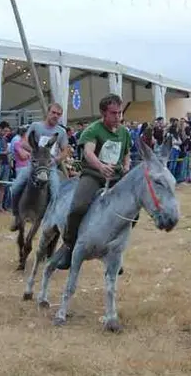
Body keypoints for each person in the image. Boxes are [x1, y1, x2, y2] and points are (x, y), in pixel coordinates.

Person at [53, 94, 131, 270]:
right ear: (103, 113)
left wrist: (126, 166)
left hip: (116, 177)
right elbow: (88, 152)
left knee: (132, 211)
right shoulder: (92, 130)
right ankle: (69, 247)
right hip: (93, 175)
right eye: (113, 113)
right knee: (78, 207)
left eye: (120, 113)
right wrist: (101, 166)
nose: (118, 117)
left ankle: (115, 250)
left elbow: (126, 153)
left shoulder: (124, 132)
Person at [9, 103, 70, 231]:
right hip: (33, 166)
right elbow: (24, 143)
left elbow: (65, 151)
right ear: (48, 112)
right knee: (15, 187)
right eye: (53, 113)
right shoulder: (36, 126)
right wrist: (36, 152)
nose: (55, 116)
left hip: (50, 168)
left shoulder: (61, 132)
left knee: (55, 192)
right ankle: (16, 216)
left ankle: (51, 219)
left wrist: (55, 160)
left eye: (58, 114)